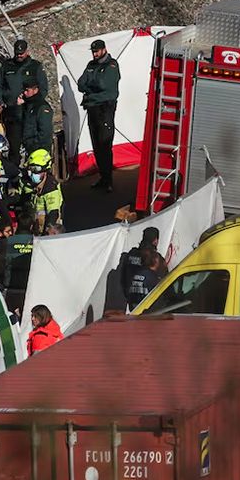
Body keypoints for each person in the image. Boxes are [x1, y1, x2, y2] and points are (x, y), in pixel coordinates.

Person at [77, 39, 122, 191]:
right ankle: (103, 177)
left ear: (104, 50)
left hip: (105, 108)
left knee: (105, 143)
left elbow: (104, 85)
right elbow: (80, 83)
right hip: (92, 108)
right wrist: (92, 86)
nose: (94, 54)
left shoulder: (111, 65)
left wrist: (90, 86)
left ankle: (108, 180)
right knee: (96, 144)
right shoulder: (91, 65)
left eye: (97, 51)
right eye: (93, 52)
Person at [0, 39, 47, 149]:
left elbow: (43, 88)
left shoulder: (35, 66)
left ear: (27, 52)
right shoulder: (6, 66)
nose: (19, 56)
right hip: (12, 111)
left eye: (21, 53)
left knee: (31, 142)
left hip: (29, 112)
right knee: (14, 145)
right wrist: (0, 102)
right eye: (17, 53)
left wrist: (35, 105)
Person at [114, 228, 168, 313]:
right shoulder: (156, 258)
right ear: (155, 241)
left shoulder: (130, 255)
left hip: (132, 302)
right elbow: (166, 282)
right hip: (150, 306)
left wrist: (129, 295)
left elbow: (123, 279)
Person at [0, 223, 35, 316]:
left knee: (8, 319)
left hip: (10, 288)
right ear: (31, 226)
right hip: (30, 289)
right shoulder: (37, 242)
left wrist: (2, 281)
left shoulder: (7, 242)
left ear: (17, 226)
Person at [20, 149, 63, 234]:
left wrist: (46, 234)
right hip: (35, 228)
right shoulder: (28, 184)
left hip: (49, 230)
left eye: (36, 169)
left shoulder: (51, 188)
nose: (33, 173)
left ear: (45, 170)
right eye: (31, 168)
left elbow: (53, 214)